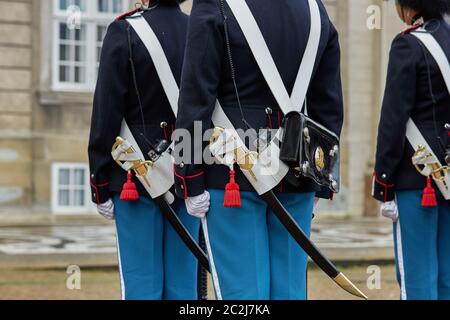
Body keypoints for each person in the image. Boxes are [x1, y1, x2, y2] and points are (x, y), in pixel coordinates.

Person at [173, 0, 343, 300]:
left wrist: (189, 176)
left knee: (243, 295)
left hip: (232, 175)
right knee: (290, 291)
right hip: (298, 171)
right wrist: (321, 181)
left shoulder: (214, 5)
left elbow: (196, 96)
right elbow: (328, 107)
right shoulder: (317, 10)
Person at [88, 0, 200, 300]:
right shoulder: (199, 29)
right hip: (189, 169)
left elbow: (106, 112)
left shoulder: (124, 30)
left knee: (141, 284)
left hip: (134, 176)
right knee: (184, 285)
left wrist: (99, 181)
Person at [373, 0, 450, 300]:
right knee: (447, 280)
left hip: (419, 181)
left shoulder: (409, 44)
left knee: (418, 278)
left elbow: (392, 120)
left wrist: (383, 183)